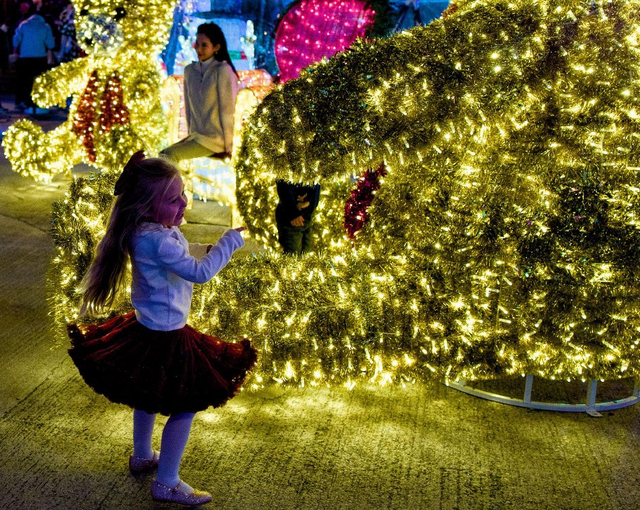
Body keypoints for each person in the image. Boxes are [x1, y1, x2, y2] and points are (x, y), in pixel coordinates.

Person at [67, 152, 257, 506]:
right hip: (167, 335)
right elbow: (200, 273)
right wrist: (228, 243)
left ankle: (142, 455)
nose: (183, 202)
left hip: (146, 330)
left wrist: (202, 247)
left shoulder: (147, 231)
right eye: (173, 199)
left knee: (148, 395)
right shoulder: (159, 239)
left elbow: (179, 252)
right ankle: (167, 482)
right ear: (146, 206)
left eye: (183, 193)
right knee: (185, 406)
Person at [162, 23, 239, 162]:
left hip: (215, 141)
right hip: (197, 137)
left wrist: (229, 146)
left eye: (204, 45)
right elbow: (189, 109)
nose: (199, 49)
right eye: (197, 44)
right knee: (163, 155)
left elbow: (228, 110)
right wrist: (190, 135)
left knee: (168, 155)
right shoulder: (190, 71)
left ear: (216, 47)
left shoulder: (222, 70)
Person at [12, 2, 54, 114]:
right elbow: (51, 44)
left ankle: (27, 103)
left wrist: (15, 51)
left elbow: (16, 39)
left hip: (25, 57)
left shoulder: (24, 25)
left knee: (26, 81)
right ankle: (38, 104)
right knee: (39, 81)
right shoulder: (45, 26)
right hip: (40, 58)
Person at [275, 180, 321, 254]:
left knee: (306, 251)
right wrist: (293, 213)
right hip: (291, 220)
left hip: (307, 217)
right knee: (293, 253)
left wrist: (309, 201)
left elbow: (316, 185)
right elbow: (283, 186)